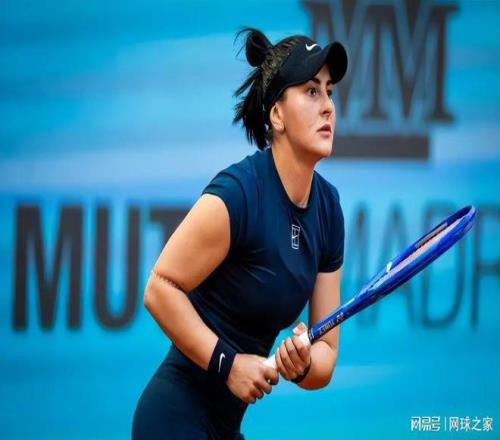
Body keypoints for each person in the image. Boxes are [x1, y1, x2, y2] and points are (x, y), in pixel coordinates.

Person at [132, 27, 348, 439]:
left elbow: (327, 353)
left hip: (225, 427)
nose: (327, 107)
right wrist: (227, 364)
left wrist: (302, 362)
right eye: (311, 91)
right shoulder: (239, 193)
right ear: (277, 115)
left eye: (329, 92)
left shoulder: (328, 210)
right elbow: (159, 288)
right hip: (173, 417)